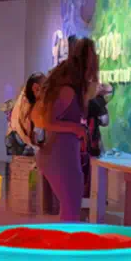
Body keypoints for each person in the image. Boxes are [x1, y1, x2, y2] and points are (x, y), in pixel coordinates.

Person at [32, 38, 98, 223]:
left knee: (71, 208)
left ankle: (67, 245)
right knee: (71, 209)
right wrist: (74, 127)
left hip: (64, 154)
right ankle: (66, 247)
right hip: (59, 155)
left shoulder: (68, 89)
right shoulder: (67, 91)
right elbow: (45, 121)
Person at [6, 73, 45, 156]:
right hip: (18, 140)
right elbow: (16, 124)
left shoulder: (29, 99)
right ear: (35, 88)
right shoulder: (25, 101)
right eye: (44, 87)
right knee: (20, 166)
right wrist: (30, 142)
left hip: (21, 140)